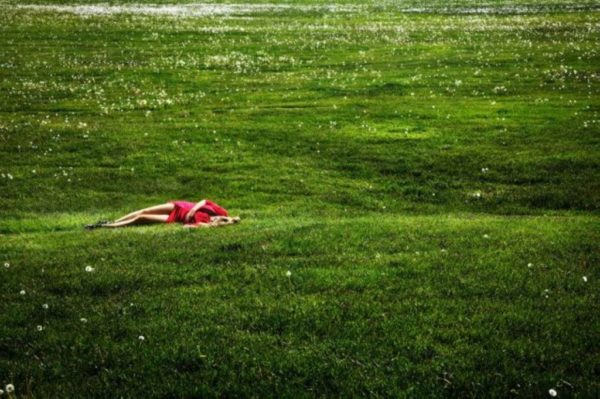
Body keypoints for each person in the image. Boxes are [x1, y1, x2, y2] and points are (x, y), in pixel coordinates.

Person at [85, 199, 240, 229]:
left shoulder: (205, 224)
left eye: (222, 221)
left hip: (175, 217)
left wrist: (209, 226)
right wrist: (193, 209)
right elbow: (205, 201)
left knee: (142, 218)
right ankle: (112, 220)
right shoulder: (222, 211)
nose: (220, 217)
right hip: (180, 205)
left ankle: (109, 226)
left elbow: (186, 228)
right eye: (224, 218)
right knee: (144, 210)